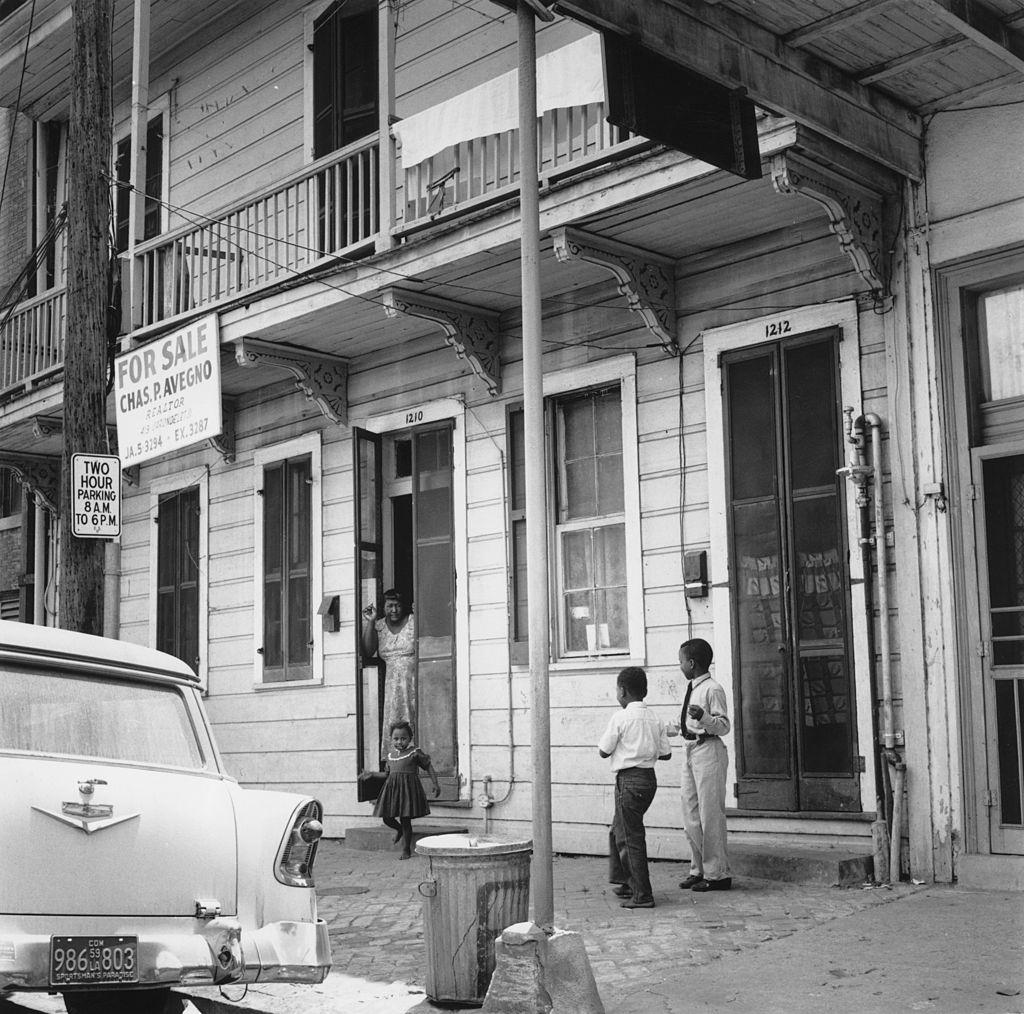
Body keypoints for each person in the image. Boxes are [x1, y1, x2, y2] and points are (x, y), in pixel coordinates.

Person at [598, 666, 672, 909]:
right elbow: (666, 754)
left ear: (622, 691)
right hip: (648, 780)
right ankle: (626, 881)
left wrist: (630, 751)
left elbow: (603, 750)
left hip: (628, 780)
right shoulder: (655, 718)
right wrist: (643, 750)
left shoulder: (620, 717)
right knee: (619, 829)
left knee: (630, 837)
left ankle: (642, 894)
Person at [673, 637, 732, 892]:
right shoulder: (691, 688)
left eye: (682, 661)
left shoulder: (712, 689)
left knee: (710, 815)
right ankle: (698, 869)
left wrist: (705, 717)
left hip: (709, 750)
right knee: (691, 814)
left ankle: (717, 874)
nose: (680, 666)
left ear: (692, 663)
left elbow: (724, 726)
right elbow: (686, 723)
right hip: (691, 750)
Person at [361, 589, 416, 757]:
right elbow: (368, 651)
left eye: (398, 606)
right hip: (391, 685)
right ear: (383, 607)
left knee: (414, 718)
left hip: (413, 681)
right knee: (395, 722)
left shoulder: (413, 620)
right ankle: (396, 761)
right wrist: (370, 622)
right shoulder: (379, 626)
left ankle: (415, 758)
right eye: (390, 606)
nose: (394, 610)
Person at [373, 720, 440, 859]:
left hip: (407, 791)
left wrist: (435, 783)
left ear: (410, 738)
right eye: (396, 739)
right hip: (392, 791)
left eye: (403, 738)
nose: (399, 742)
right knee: (387, 818)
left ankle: (406, 849)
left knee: (405, 819)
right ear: (391, 739)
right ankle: (399, 830)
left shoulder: (414, 752)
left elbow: (428, 766)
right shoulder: (391, 756)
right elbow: (387, 774)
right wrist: (371, 774)